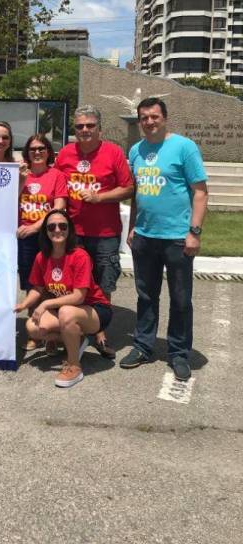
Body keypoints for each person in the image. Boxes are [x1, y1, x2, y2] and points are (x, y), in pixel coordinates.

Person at [121, 97, 208, 381]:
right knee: (146, 296)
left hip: (177, 239)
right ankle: (143, 346)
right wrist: (132, 226)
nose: (149, 122)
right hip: (145, 237)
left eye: (154, 116)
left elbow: (200, 192)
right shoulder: (136, 150)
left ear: (165, 118)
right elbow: (137, 193)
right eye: (144, 117)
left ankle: (178, 353)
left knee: (181, 299)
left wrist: (194, 232)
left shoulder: (184, 147)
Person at [55, 105, 133, 358]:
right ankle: (72, 331)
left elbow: (128, 188)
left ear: (99, 128)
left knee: (102, 283)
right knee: (71, 283)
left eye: (90, 125)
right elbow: (56, 185)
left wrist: (100, 197)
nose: (85, 130)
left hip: (105, 233)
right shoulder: (65, 153)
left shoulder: (113, 152)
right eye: (80, 126)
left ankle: (100, 333)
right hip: (72, 233)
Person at [14, 208, 112, 388]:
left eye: (62, 226)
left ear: (69, 229)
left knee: (66, 312)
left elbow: (79, 296)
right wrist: (23, 305)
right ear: (46, 231)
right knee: (33, 327)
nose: (57, 230)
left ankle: (74, 366)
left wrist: (46, 303)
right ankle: (77, 339)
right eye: (51, 227)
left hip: (95, 310)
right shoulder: (41, 257)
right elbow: (38, 288)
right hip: (67, 311)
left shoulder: (80, 256)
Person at [17, 134, 67, 350]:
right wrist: (20, 180)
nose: (37, 152)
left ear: (48, 152)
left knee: (52, 283)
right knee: (31, 284)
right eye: (33, 149)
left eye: (41, 149)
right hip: (24, 237)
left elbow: (59, 207)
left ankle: (52, 332)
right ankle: (35, 332)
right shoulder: (20, 174)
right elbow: (8, 201)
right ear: (27, 153)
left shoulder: (57, 175)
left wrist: (36, 227)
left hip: (48, 235)